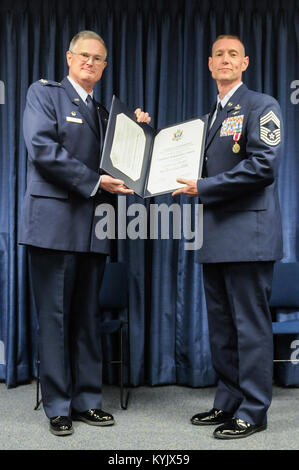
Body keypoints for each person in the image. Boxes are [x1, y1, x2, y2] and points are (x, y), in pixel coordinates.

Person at [19, 30, 150, 436]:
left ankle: (88, 401)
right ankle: (59, 406)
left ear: (105, 66)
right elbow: (42, 149)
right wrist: (96, 182)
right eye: (84, 56)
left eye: (98, 59)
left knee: (86, 319)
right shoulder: (44, 95)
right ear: (68, 58)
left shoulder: (107, 114)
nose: (90, 63)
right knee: (55, 318)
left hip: (94, 230)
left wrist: (140, 131)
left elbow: (124, 160)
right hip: (54, 228)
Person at [173, 35, 283, 439]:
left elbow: (264, 166)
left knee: (249, 326)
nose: (225, 60)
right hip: (213, 236)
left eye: (232, 54)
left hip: (248, 235)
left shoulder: (261, 106)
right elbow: (179, 163)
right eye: (218, 54)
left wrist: (205, 187)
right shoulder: (207, 120)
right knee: (222, 326)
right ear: (209, 63)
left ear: (245, 62)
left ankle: (254, 410)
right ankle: (229, 401)